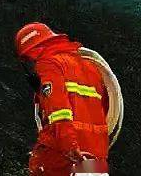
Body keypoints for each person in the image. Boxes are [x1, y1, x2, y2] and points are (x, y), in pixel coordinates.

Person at [15, 23, 110, 176]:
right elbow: (105, 111)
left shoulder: (48, 64)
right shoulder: (91, 68)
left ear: (32, 53)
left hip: (63, 155)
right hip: (96, 158)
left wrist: (70, 147)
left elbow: (59, 111)